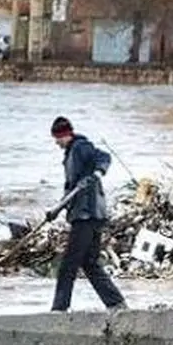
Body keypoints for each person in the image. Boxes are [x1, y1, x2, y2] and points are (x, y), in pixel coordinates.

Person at [46, 117, 127, 312]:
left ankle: (59, 309)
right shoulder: (70, 154)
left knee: (68, 266)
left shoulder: (81, 147)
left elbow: (104, 157)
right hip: (88, 214)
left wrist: (99, 172)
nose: (56, 142)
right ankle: (116, 303)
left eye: (58, 138)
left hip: (87, 215)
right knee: (89, 262)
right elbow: (71, 188)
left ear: (66, 134)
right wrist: (57, 209)